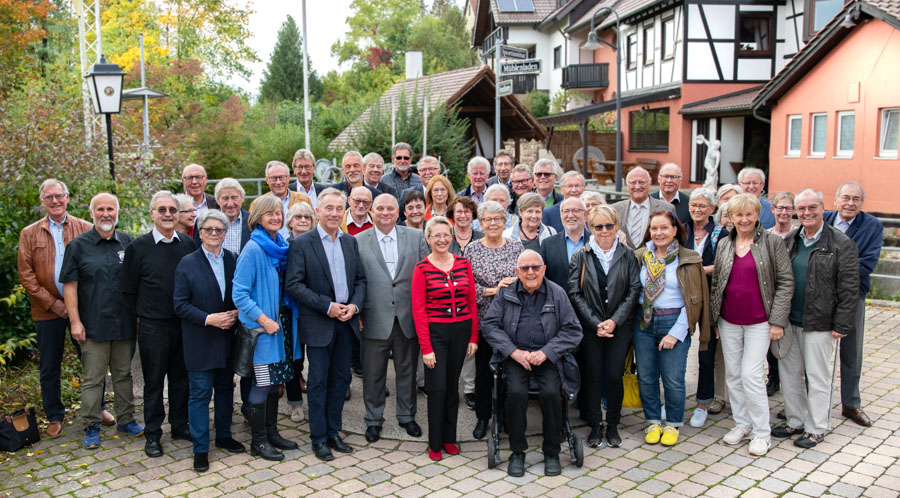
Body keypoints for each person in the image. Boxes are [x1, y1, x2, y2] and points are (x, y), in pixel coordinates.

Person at [483, 250, 582, 477]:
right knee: (516, 393)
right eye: (525, 268)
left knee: (550, 394)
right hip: (515, 358)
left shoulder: (557, 293)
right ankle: (517, 452)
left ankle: (552, 452)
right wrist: (513, 352)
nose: (530, 272)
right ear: (517, 271)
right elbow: (490, 325)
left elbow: (573, 330)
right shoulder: (506, 293)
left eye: (535, 267)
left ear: (544, 269)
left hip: (547, 358)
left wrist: (546, 352)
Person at [285, 188, 367, 462]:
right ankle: (318, 438)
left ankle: (334, 432)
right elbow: (294, 285)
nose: (333, 213)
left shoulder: (349, 242)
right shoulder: (302, 243)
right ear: (318, 212)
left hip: (346, 323)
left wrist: (354, 306)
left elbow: (360, 281)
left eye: (337, 208)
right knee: (318, 383)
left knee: (341, 380)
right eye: (328, 208)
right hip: (320, 323)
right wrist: (327, 306)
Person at [709, 194, 794, 457]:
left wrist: (778, 320)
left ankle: (761, 433)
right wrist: (715, 320)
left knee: (751, 376)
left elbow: (786, 281)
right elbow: (717, 285)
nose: (744, 219)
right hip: (729, 320)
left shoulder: (772, 242)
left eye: (749, 214)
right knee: (733, 375)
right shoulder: (724, 243)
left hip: (760, 321)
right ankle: (742, 424)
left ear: (757, 215)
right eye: (738, 215)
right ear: (730, 218)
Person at [775, 189, 859, 449]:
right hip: (789, 321)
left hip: (821, 323)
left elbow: (849, 287)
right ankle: (796, 420)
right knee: (790, 374)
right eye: (801, 208)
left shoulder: (840, 243)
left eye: (812, 207)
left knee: (818, 376)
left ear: (823, 208)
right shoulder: (790, 239)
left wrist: (842, 323)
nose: (806, 213)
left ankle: (816, 427)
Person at [59, 193, 142, 449]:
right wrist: (75, 322)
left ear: (117, 212)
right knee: (93, 378)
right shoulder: (78, 246)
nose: (106, 214)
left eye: (110, 209)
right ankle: (91, 425)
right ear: (91, 212)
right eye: (100, 209)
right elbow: (70, 287)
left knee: (123, 375)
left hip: (124, 324)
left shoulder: (129, 243)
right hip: (92, 325)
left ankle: (126, 419)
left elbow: (138, 284)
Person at [17, 179, 97, 437]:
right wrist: (55, 304)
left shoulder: (85, 228)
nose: (55, 201)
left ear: (67, 197)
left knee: (92, 360)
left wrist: (74, 306)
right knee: (50, 365)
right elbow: (26, 276)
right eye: (49, 197)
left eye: (59, 196)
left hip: (82, 309)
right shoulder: (29, 233)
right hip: (46, 309)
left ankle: (97, 409)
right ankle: (54, 415)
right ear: (42, 201)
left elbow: (94, 268)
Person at [123, 190, 197, 457]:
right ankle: (153, 434)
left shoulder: (188, 246)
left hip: (184, 324)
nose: (168, 214)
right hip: (154, 326)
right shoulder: (138, 248)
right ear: (152, 213)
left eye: (172, 210)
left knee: (181, 379)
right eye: (162, 210)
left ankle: (179, 425)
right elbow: (129, 291)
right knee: (154, 382)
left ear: (179, 215)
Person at [173, 210, 246, 471]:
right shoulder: (187, 263)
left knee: (226, 390)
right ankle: (201, 449)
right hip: (201, 339)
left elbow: (241, 293)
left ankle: (224, 436)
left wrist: (238, 313)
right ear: (200, 233)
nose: (214, 233)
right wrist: (208, 319)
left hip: (228, 339)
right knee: (200, 394)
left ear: (226, 233)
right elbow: (179, 304)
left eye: (220, 229)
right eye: (209, 229)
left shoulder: (232, 259)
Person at [356, 194, 429, 443]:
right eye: (380, 209)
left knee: (406, 371)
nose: (385, 213)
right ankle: (374, 419)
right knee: (373, 373)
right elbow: (356, 280)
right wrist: (357, 312)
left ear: (398, 212)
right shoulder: (356, 241)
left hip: (407, 317)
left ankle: (407, 416)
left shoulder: (416, 237)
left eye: (390, 208)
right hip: (373, 317)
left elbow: (425, 277)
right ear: (371, 211)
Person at [232, 195, 301, 462]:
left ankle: (272, 433)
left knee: (275, 384)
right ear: (258, 217)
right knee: (261, 385)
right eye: (269, 213)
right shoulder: (253, 249)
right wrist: (263, 319)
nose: (275, 217)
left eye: (278, 213)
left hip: (281, 328)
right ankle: (258, 442)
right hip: (263, 331)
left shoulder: (279, 245)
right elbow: (239, 294)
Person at [634, 211, 709, 447]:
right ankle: (653, 421)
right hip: (643, 322)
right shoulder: (640, 256)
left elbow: (694, 299)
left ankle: (674, 423)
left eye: (664, 228)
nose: (659, 233)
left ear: (675, 230)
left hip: (674, 320)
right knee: (646, 377)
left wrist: (676, 333)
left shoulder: (688, 258)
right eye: (654, 228)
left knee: (673, 378)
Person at [567, 205, 640, 449]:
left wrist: (614, 320)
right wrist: (596, 322)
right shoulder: (581, 255)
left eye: (609, 225)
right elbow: (574, 293)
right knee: (593, 377)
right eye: (599, 226)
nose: (604, 230)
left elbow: (633, 291)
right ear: (591, 227)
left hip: (619, 327)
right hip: (592, 328)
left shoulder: (628, 255)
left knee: (613, 376)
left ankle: (614, 424)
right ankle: (595, 424)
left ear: (617, 226)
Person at [412, 216, 479, 461]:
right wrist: (426, 348)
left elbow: (471, 301)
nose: (442, 239)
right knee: (437, 388)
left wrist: (473, 336)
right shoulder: (422, 268)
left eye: (446, 235)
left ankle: (450, 439)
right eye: (436, 235)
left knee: (453, 388)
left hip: (461, 332)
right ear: (428, 239)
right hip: (436, 334)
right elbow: (418, 310)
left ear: (451, 237)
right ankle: (435, 442)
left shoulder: (463, 263)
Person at [463, 201, 524, 440]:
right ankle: (482, 418)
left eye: (497, 219)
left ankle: (506, 417)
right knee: (483, 372)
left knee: (510, 371)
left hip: (513, 321)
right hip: (483, 320)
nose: (492, 223)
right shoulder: (472, 249)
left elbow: (525, 279)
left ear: (505, 221)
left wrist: (509, 288)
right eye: (487, 219)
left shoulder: (516, 248)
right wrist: (494, 290)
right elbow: (467, 287)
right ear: (480, 222)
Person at [824, 181, 883, 427]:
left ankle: (850, 404)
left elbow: (866, 264)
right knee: (812, 350)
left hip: (852, 296)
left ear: (862, 202)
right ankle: (807, 402)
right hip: (818, 296)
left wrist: (827, 270)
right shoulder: (822, 218)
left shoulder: (872, 226)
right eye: (846, 198)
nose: (850, 203)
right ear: (835, 199)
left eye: (856, 199)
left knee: (852, 352)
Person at [683, 189, 727, 428]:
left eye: (702, 206)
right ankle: (675, 397)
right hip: (684, 298)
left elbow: (724, 265)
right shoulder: (681, 229)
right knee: (678, 347)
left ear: (712, 209)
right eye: (693, 205)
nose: (697, 210)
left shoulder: (721, 233)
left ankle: (702, 402)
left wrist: (696, 269)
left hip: (711, 298)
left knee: (706, 352)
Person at [284, 203, 316, 422]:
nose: (303, 219)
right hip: (289, 311)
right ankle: (295, 403)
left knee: (315, 358)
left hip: (314, 309)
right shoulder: (282, 247)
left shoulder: (318, 245)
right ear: (290, 221)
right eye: (298, 216)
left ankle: (317, 400)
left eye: (307, 216)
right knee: (293, 360)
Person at [612, 167, 676, 249]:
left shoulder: (667, 208)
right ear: (627, 185)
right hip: (623, 260)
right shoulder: (615, 209)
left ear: (650, 183)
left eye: (641, 182)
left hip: (654, 259)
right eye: (633, 182)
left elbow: (673, 239)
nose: (637, 186)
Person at [250, 161, 313, 239]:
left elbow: (313, 226)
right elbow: (253, 230)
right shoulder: (258, 204)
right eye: (274, 178)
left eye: (282, 177)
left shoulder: (303, 200)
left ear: (288, 178)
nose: (278, 182)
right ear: (267, 180)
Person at [540, 197, 590, 290]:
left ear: (585, 214)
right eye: (566, 211)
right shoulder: (548, 244)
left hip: (591, 302)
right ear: (560, 215)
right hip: (559, 301)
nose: (570, 215)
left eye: (575, 210)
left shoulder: (595, 241)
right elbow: (543, 278)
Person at [211, 178, 251, 255]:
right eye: (225, 198)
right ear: (217, 200)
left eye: (234, 198)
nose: (230, 204)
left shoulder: (253, 221)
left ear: (243, 198)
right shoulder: (206, 223)